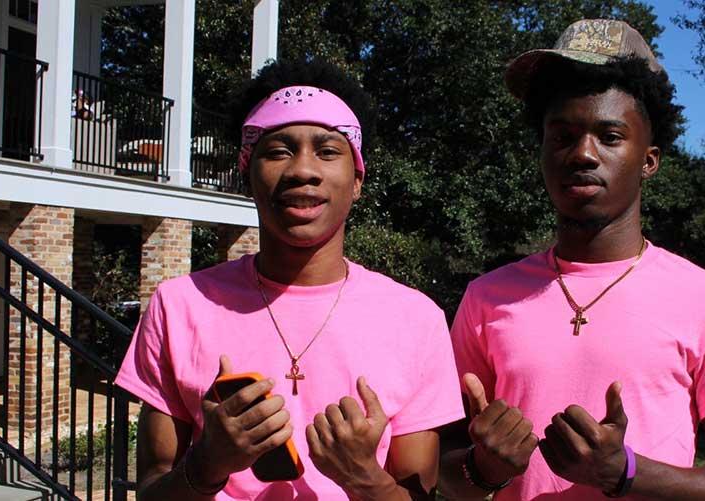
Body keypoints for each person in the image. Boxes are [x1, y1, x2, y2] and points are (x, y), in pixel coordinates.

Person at [440, 19, 705, 500]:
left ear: (649, 159)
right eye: (562, 136)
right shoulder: (487, 298)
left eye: (610, 135)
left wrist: (625, 472)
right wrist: (486, 467)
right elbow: (447, 475)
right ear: (541, 150)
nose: (583, 154)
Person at [116, 59, 464, 500]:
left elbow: (420, 491)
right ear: (247, 172)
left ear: (357, 179)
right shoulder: (179, 305)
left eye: (327, 150)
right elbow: (150, 489)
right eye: (279, 150)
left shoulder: (417, 319)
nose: (303, 169)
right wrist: (208, 464)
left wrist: (363, 477)